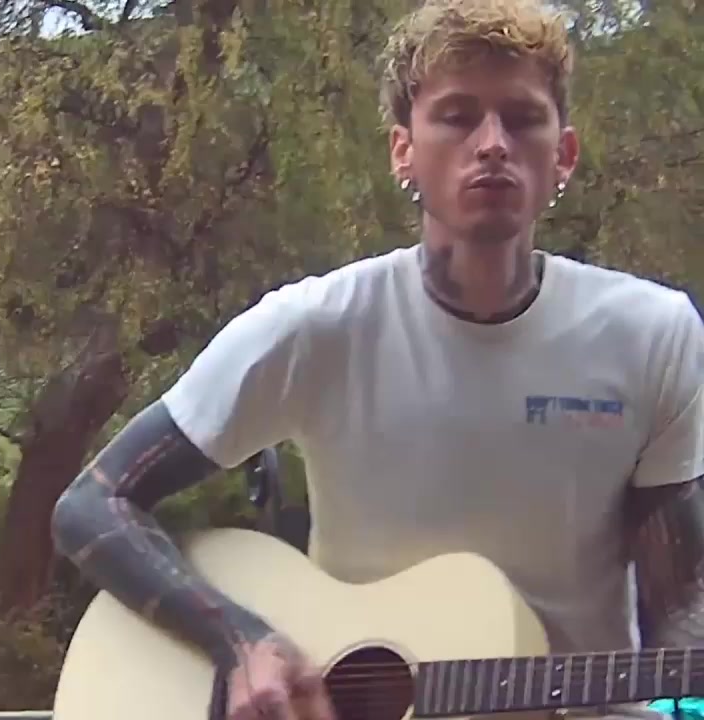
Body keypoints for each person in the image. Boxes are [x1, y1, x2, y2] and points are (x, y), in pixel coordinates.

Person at [49, 0, 704, 718]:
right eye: (457, 117)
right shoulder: (314, 328)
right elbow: (92, 504)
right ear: (403, 152)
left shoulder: (653, 333)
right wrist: (239, 640)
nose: (492, 144)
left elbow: (683, 600)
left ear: (563, 155)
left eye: (522, 119)